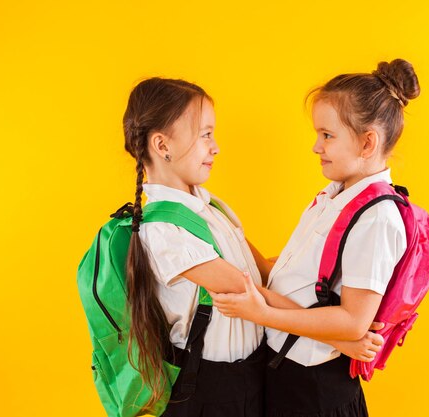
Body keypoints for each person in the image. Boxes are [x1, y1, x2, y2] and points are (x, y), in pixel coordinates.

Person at [120, 77, 383, 417]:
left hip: (250, 377)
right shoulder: (163, 228)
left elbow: (266, 272)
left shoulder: (211, 206)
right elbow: (246, 290)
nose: (215, 147)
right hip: (206, 390)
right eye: (205, 134)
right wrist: (340, 337)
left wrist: (346, 310)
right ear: (161, 144)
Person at [212, 58, 420, 417]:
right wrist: (218, 222)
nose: (316, 146)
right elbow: (288, 279)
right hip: (289, 375)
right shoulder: (334, 197)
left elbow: (354, 322)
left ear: (367, 143)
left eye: (327, 135)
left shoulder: (376, 218)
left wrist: (260, 312)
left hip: (317, 390)